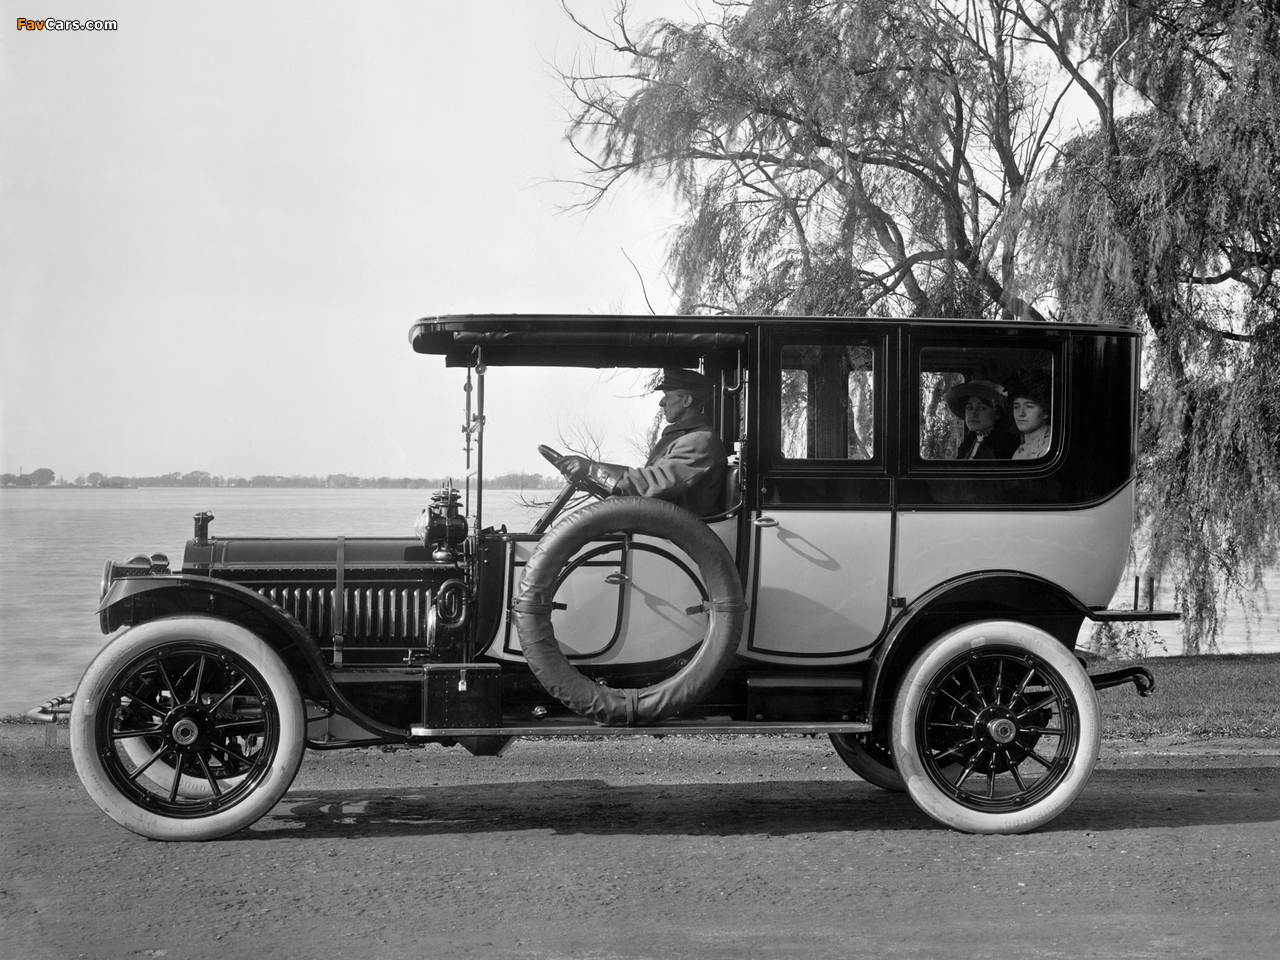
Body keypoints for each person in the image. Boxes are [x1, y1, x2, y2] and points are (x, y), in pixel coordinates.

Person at [555, 368, 728, 516]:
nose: (661, 402)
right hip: (666, 526)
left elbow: (655, 483)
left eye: (667, 396)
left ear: (686, 401)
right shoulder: (686, 438)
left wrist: (593, 469)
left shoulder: (700, 441)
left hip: (675, 536)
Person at [943, 379, 1018, 459]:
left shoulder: (1006, 446)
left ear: (997, 413)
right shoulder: (968, 444)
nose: (973, 413)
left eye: (981, 408)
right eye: (969, 407)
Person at [1007, 371, 1052, 460]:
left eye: (1029, 406)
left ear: (1045, 412)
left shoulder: (1047, 448)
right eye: (1016, 407)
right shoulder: (1024, 442)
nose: (1021, 413)